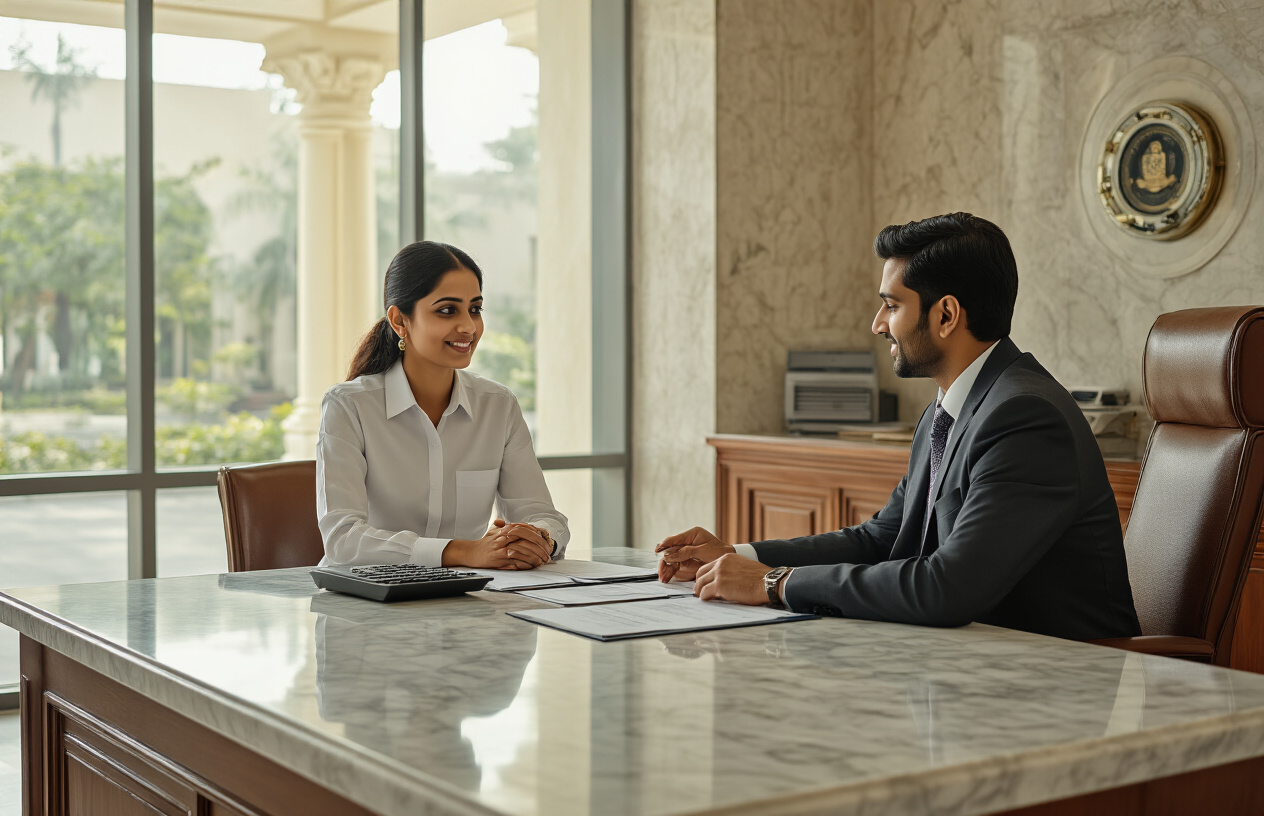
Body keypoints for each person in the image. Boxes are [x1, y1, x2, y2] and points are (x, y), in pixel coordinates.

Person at [658, 213, 1141, 641]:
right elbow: (880, 540)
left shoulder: (1026, 419)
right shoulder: (947, 412)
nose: (877, 324)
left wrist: (772, 583)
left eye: (891, 305)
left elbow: (947, 588)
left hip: (1062, 688)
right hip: (975, 668)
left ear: (946, 315)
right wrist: (737, 555)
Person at [317, 240, 567, 571]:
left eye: (475, 309)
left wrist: (540, 540)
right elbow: (343, 539)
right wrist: (465, 552)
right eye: (447, 310)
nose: (468, 327)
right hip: (363, 605)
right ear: (399, 320)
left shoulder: (498, 406)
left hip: (465, 602)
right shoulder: (349, 406)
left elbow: (541, 514)